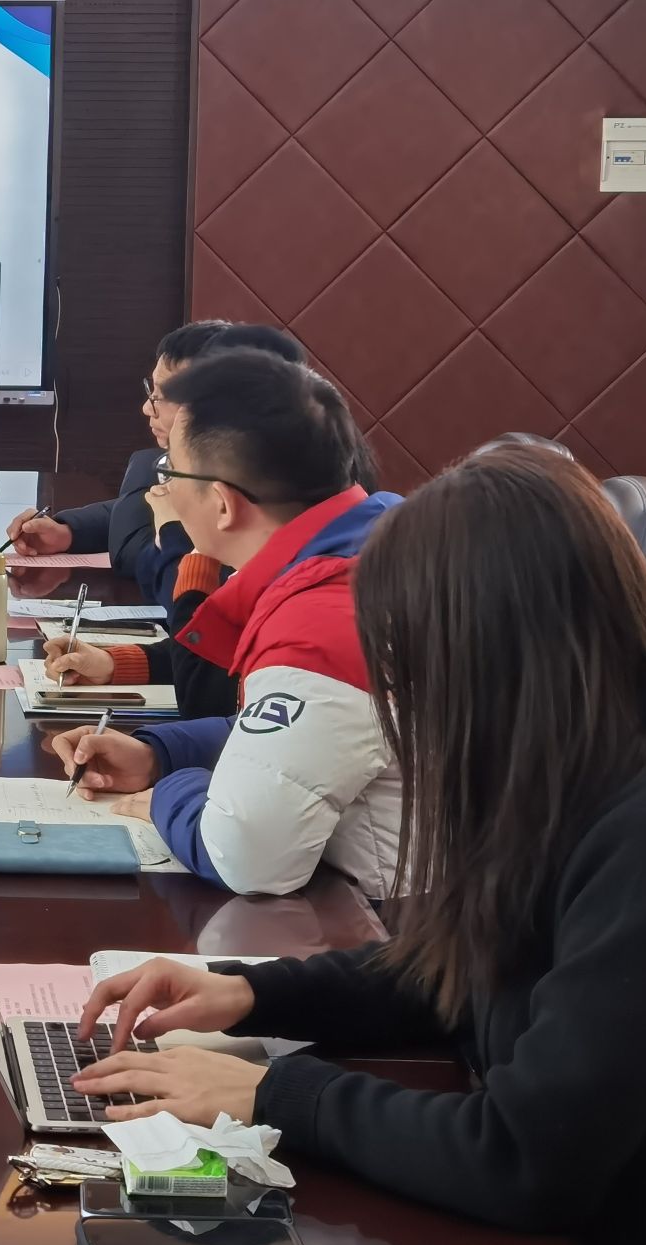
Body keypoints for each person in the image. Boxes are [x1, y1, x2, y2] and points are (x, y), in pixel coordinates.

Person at [68, 447, 646, 1245]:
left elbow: (523, 1158)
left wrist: (272, 1091)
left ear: (491, 653)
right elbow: (467, 967)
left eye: (405, 660)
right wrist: (251, 992)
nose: (398, 694)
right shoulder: (575, 774)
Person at [49, 350, 402, 897]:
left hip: (396, 927)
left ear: (221, 504)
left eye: (169, 471)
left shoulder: (322, 627)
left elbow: (245, 855)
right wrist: (161, 753)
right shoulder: (374, 545)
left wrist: (176, 789)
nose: (163, 489)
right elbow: (302, 738)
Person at [6, 320, 305, 582]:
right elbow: (145, 509)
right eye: (152, 391)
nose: (147, 408)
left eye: (161, 396)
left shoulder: (250, 487)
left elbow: (137, 555)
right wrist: (68, 532)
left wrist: (149, 465)